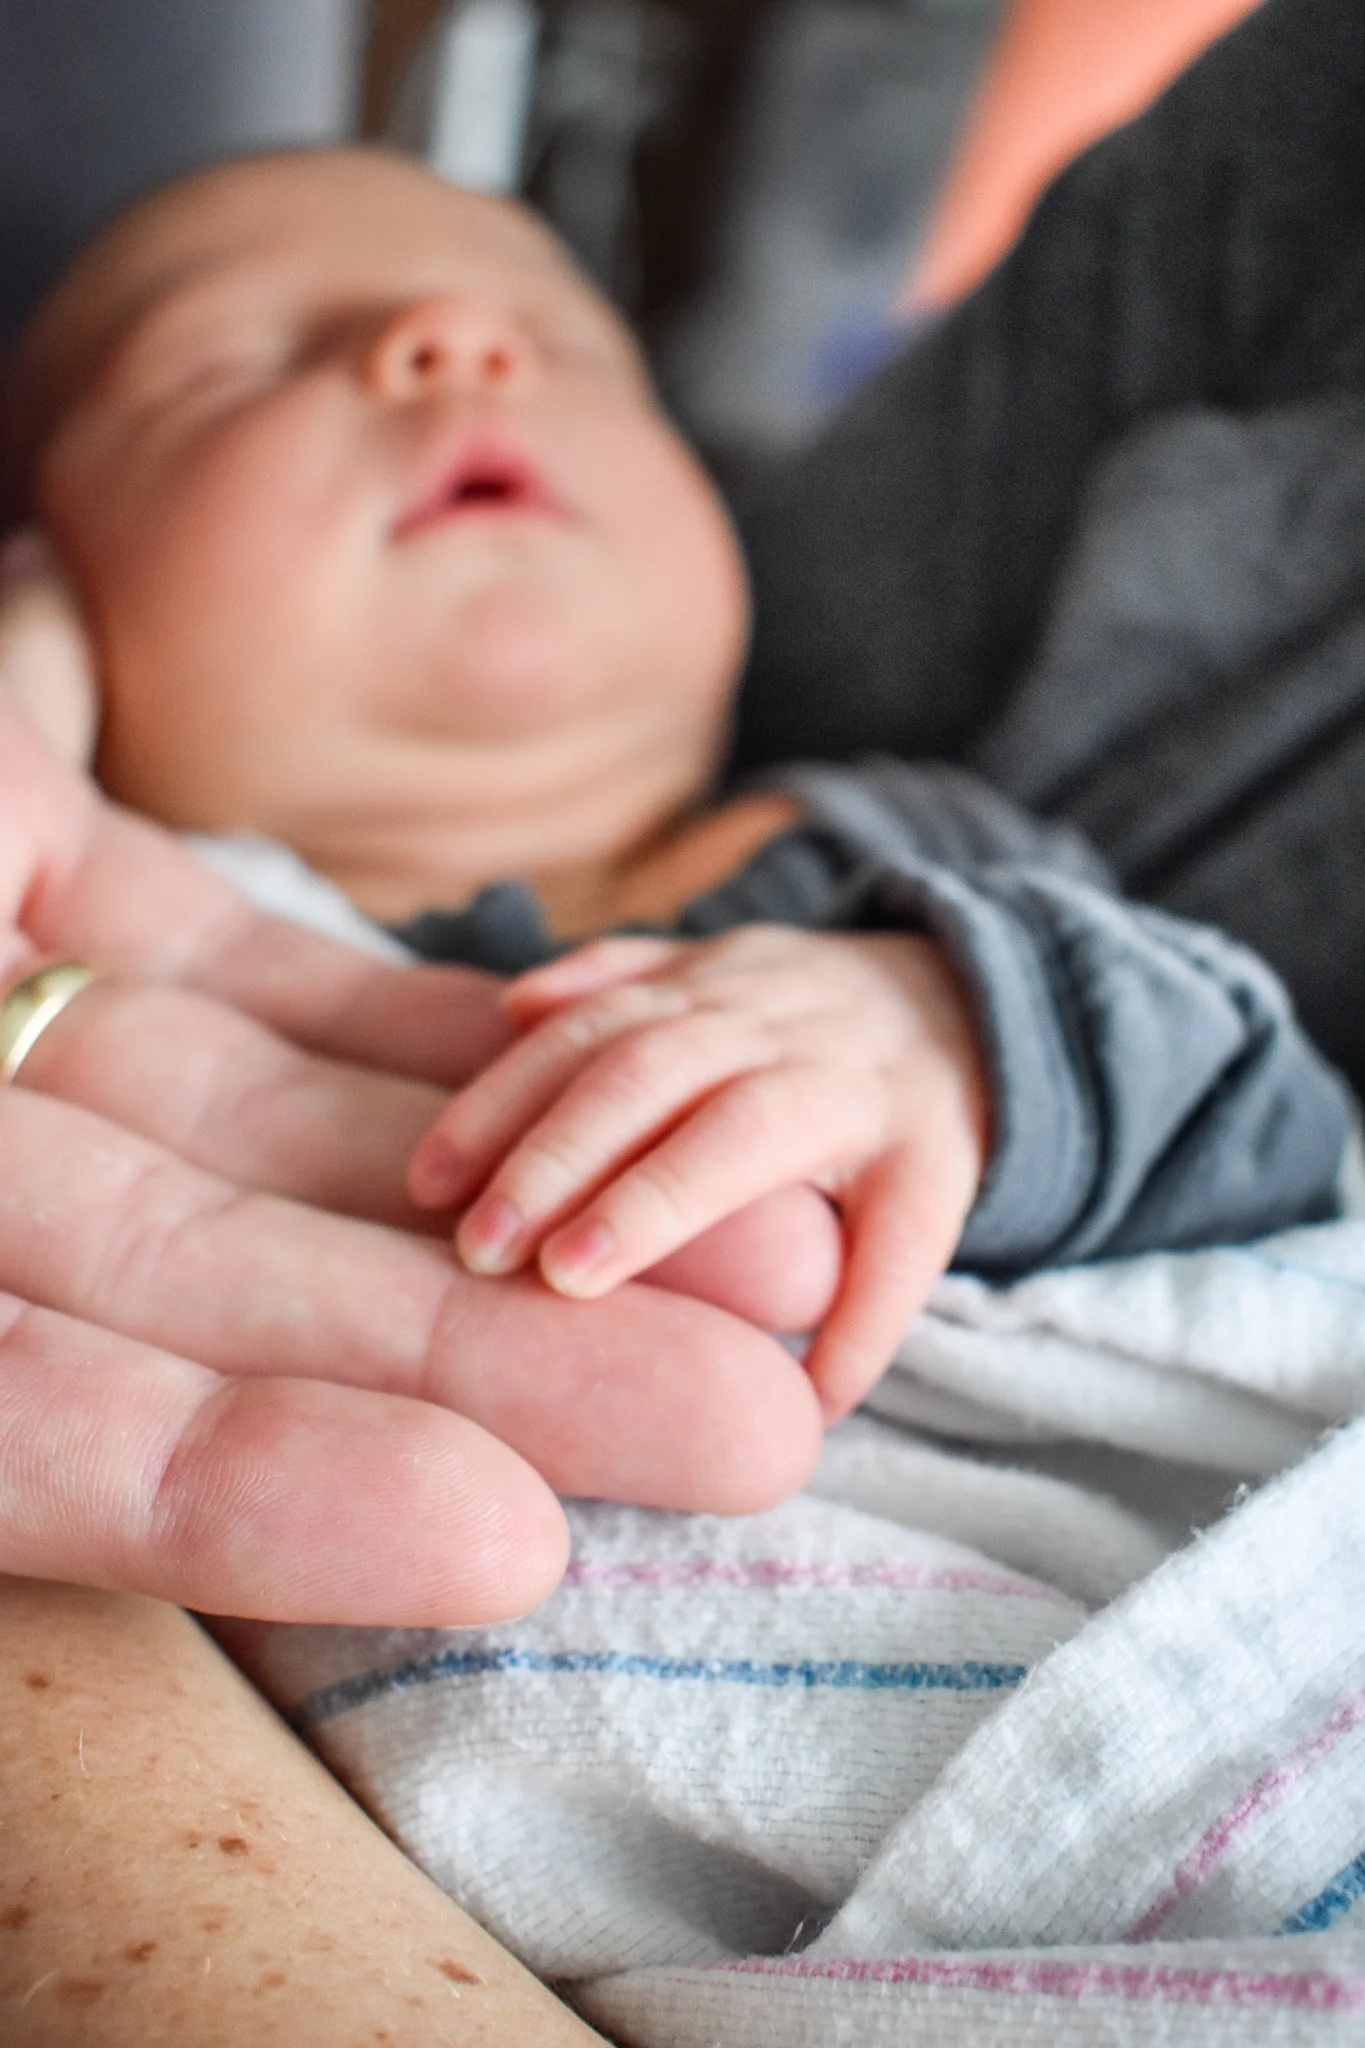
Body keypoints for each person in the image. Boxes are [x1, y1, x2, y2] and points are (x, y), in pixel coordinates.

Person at [1, 137, 1349, 1423]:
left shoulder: (906, 864)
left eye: (575, 349)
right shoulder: (111, 960)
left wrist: (943, 1033)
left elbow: (1280, 1141)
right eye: (230, 367)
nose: (460, 342)